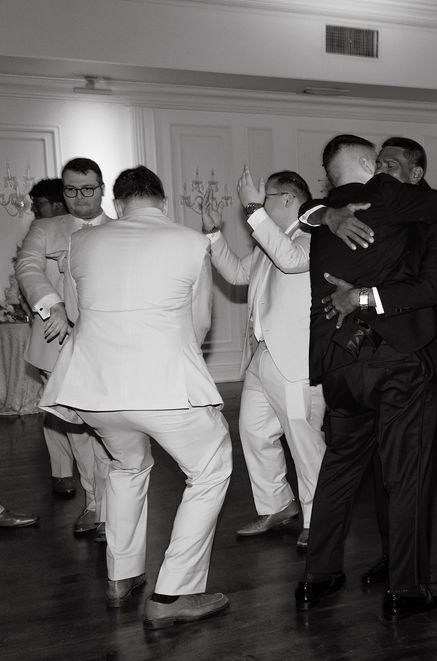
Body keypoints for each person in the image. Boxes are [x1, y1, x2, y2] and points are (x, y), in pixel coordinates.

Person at [295, 135, 437, 621]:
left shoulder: (411, 210)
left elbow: (432, 283)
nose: (383, 169)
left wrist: (360, 294)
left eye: (393, 164)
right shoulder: (340, 206)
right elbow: (308, 210)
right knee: (403, 475)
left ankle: (321, 575)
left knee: (350, 469)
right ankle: (406, 585)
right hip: (393, 359)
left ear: (417, 173)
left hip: (358, 357)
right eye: (378, 163)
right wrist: (323, 213)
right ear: (366, 166)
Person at [39, 165, 232, 629]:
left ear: (118, 203)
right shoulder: (191, 241)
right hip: (161, 386)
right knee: (211, 466)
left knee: (127, 466)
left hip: (94, 388)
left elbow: (84, 314)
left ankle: (121, 576)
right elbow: (201, 322)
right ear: (161, 202)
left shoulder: (84, 242)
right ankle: (172, 596)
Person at [204, 167, 325, 549]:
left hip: (298, 359)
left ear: (288, 199)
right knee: (254, 432)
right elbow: (238, 274)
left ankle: (319, 516)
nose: (252, 209)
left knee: (304, 441)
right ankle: (278, 505)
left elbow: (290, 261)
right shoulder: (267, 242)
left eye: (265, 197)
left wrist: (253, 208)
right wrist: (213, 234)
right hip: (262, 356)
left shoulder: (315, 235)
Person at [15, 157, 111, 536]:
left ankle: (111, 506)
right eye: (71, 189)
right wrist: (51, 302)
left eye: (88, 188)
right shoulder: (45, 228)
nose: (80, 197)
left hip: (107, 346)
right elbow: (28, 267)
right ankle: (93, 503)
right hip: (57, 344)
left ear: (102, 188)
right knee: (77, 429)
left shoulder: (121, 229)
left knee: (109, 430)